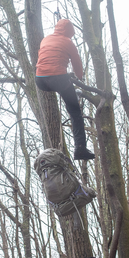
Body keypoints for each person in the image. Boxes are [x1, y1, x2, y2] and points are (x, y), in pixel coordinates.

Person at [35, 19, 95, 161]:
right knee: (75, 111)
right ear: (69, 32)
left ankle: (74, 94)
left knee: (67, 93)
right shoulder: (68, 42)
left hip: (41, 80)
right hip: (58, 79)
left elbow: (47, 58)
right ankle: (80, 148)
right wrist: (80, 78)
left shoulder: (46, 39)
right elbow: (77, 64)